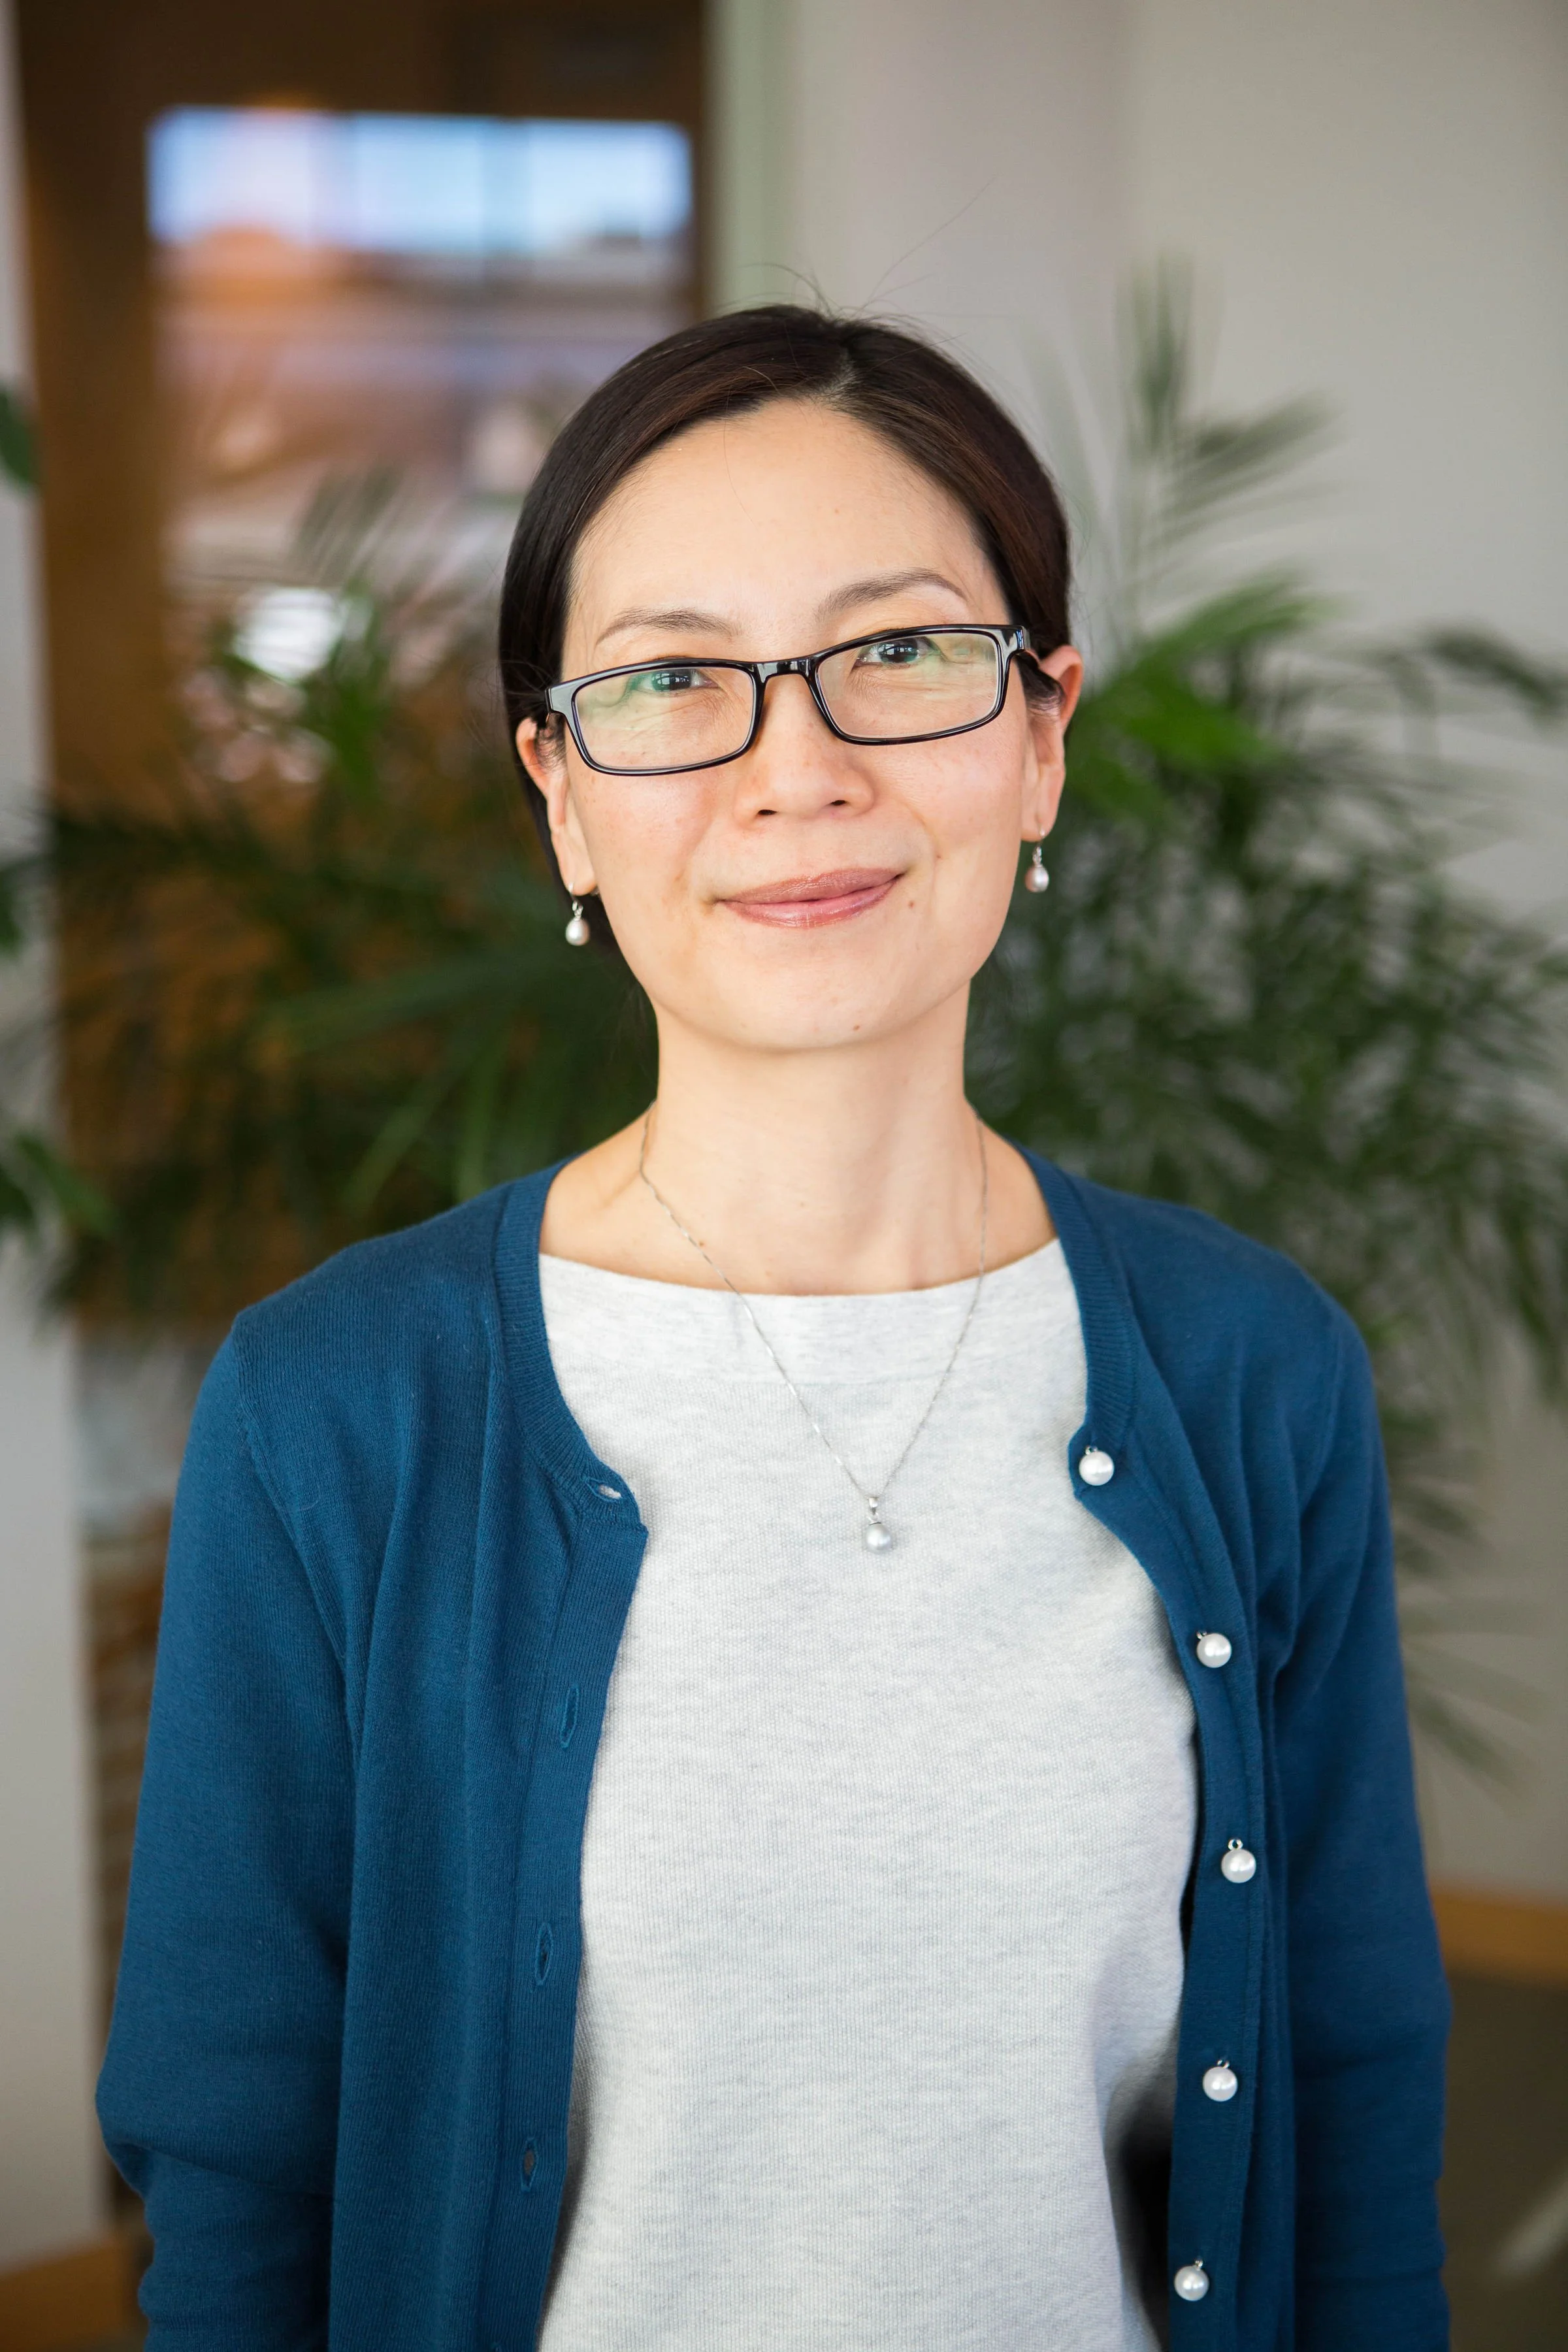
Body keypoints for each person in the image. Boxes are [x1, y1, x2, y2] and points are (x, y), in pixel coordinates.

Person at [98, 305, 1449, 2352]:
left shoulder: (1252, 1369)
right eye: (668, 681)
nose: (793, 770)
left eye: (897, 653)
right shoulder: (343, 1407)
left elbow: (1346, 2099)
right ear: (561, 790)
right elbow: (240, 2169)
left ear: (1041, 729)